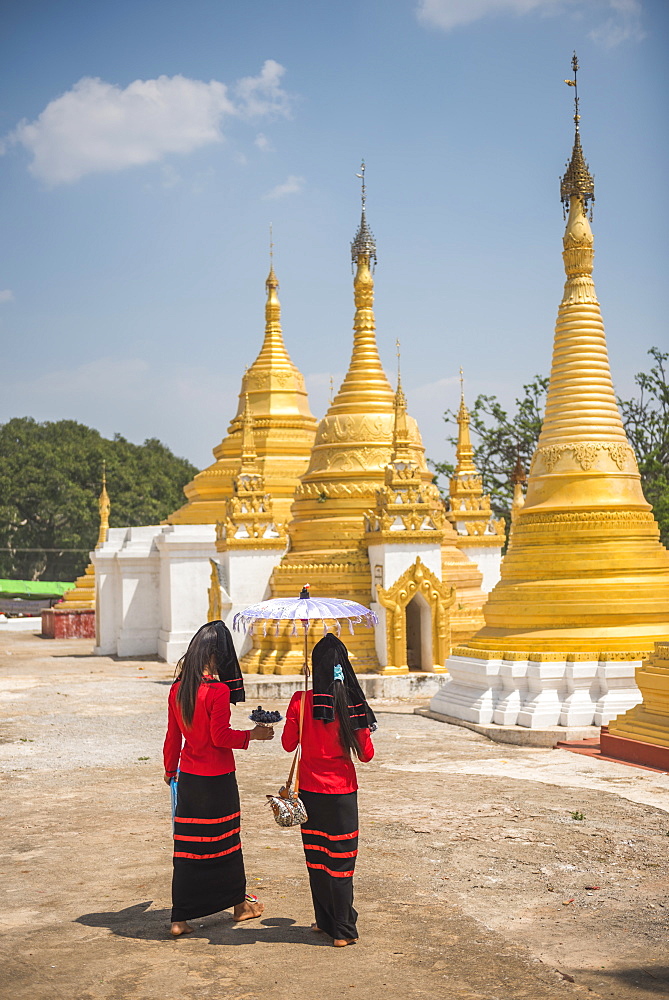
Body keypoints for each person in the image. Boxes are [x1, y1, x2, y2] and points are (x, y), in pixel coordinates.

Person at [163, 619, 274, 939]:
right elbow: (220, 737)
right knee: (226, 843)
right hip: (218, 778)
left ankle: (179, 918)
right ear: (214, 658)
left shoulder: (177, 689)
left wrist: (171, 770)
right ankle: (239, 906)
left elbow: (173, 737)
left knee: (187, 849)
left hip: (189, 779)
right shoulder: (217, 691)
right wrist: (253, 735)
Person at [281, 632, 376, 947]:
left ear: (314, 668)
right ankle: (343, 931)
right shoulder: (352, 704)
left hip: (310, 793)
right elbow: (366, 755)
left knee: (317, 859)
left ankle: (325, 921)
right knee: (340, 860)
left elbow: (287, 745)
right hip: (341, 794)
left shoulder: (301, 700)